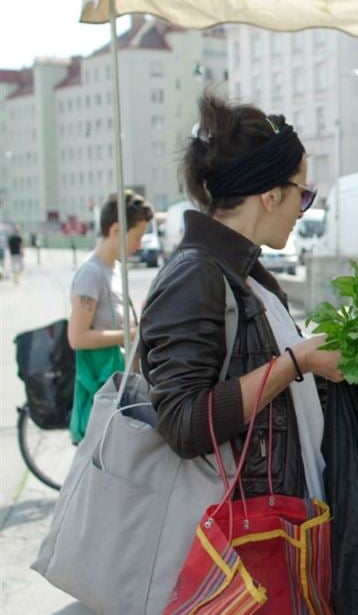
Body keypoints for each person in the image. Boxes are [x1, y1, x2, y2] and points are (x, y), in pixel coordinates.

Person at [139, 94, 342, 501]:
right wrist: (297, 362)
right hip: (232, 538)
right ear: (270, 195)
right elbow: (184, 423)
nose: (302, 210)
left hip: (272, 519)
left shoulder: (244, 272)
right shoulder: (195, 275)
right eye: (302, 193)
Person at [67, 191, 154, 443]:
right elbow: (77, 337)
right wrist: (130, 334)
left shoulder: (113, 270)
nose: (139, 245)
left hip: (114, 391)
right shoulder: (91, 273)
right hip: (101, 392)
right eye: (136, 237)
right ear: (116, 230)